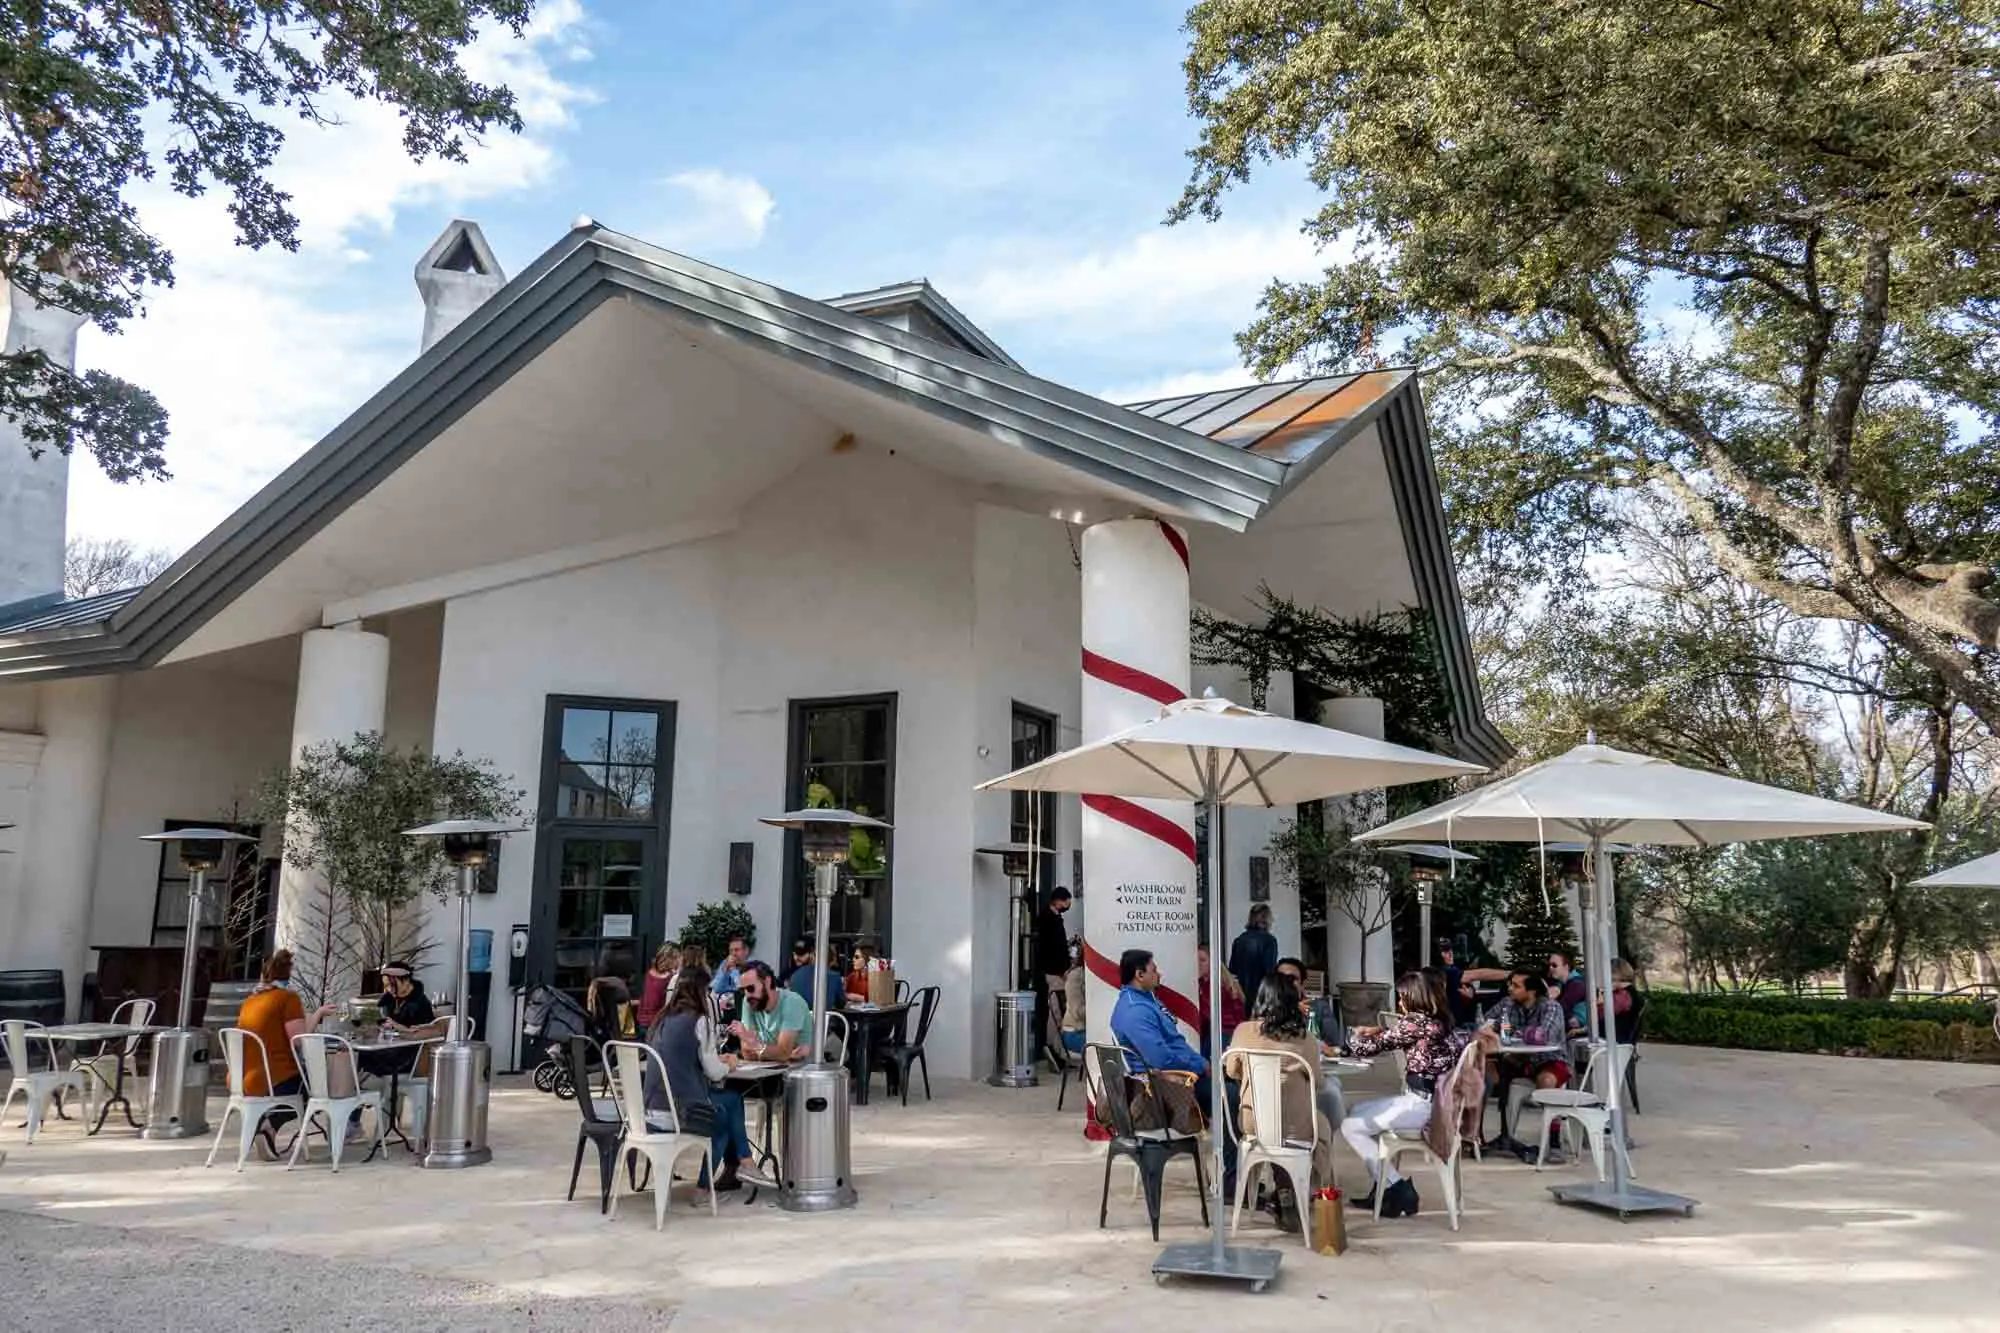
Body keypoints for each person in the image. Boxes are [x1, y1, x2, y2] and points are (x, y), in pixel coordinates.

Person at [1340, 971, 1468, 1218]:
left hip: (1421, 1106)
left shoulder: (1415, 1023)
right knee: (1357, 1112)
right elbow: (1398, 1034)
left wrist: (1350, 1037)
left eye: (1401, 997)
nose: (1399, 1003)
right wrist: (1378, 1030)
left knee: (1350, 1126)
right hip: (1435, 1103)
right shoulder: (1441, 1020)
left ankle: (1397, 1187)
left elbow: (1369, 1048)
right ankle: (1383, 1188)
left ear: (1414, 998)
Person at [1224, 973, 1337, 1228]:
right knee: (1322, 1125)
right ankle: (1303, 1188)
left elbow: (1230, 1070)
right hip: (1297, 1128)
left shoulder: (1244, 1031)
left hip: (1254, 1124)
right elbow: (1318, 1083)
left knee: (1273, 1125)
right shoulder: (1305, 1038)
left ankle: (1284, 1191)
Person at [644, 964, 754, 1192]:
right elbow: (714, 1073)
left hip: (649, 1111)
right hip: (678, 1112)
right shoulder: (698, 1021)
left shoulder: (662, 1019)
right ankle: (707, 1186)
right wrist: (730, 1063)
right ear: (700, 991)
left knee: (730, 1100)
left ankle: (744, 1163)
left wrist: (713, 1060)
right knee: (723, 1117)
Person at [234, 950, 336, 1158]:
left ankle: (261, 1122)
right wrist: (318, 1014)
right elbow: (300, 1041)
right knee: (317, 1088)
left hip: (242, 1079)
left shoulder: (251, 1001)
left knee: (305, 1082)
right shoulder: (287, 998)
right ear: (289, 975)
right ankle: (269, 1126)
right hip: (273, 1078)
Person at [1484, 968, 1572, 1158]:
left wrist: (1510, 1033)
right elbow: (1485, 1023)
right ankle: (1503, 1135)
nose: (1510, 989)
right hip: (1519, 1061)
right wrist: (1490, 1030)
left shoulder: (1551, 1007)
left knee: (1547, 1080)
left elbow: (1543, 1035)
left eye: (1516, 986)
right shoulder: (1508, 1004)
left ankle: (1554, 1138)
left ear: (1531, 991)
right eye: (1510, 984)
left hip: (1548, 1060)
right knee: (1484, 1068)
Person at [1109, 948, 1209, 1106]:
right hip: (1166, 1086)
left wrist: (1202, 1063)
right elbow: (1162, 1059)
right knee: (1232, 1095)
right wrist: (1200, 1066)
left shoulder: (1147, 1000)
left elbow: (1175, 1042)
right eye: (1153, 970)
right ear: (1139, 975)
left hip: (1181, 1073)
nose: (1159, 974)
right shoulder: (1136, 1011)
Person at [362, 960, 442, 1079]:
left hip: (410, 1055)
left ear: (406, 980)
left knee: (366, 1056)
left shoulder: (419, 1003)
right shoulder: (389, 998)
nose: (389, 989)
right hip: (392, 1046)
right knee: (361, 1054)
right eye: (386, 986)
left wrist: (399, 1027)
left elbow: (429, 1032)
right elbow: (376, 1016)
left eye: (392, 985)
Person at [728, 962, 811, 1062]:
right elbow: (747, 1054)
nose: (747, 995)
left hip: (800, 1071)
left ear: (767, 982)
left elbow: (783, 1053)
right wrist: (777, 1053)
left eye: (750, 988)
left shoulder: (792, 1003)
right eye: (742, 990)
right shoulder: (749, 1002)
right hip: (767, 1071)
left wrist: (754, 1044)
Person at [1196, 943, 1246, 1056]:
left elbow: (1207, 1013)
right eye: (1196, 960)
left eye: (1203, 960)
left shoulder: (1215, 985)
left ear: (1213, 962)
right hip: (1232, 1033)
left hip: (1223, 1034)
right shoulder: (1223, 981)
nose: (1198, 964)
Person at [1227, 904, 1279, 1010]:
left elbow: (1232, 969)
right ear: (1267, 919)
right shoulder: (1269, 941)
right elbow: (1269, 971)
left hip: (1241, 993)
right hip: (1261, 993)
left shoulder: (1239, 940)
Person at [786, 938, 846, 1013]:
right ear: (831, 961)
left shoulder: (795, 975)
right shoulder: (835, 977)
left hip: (800, 1021)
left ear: (813, 956)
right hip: (825, 1022)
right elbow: (841, 1003)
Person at [637, 944, 680, 1031]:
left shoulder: (649, 974)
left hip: (642, 1022)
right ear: (672, 959)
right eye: (679, 958)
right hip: (657, 1024)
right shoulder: (670, 978)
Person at [1436, 939, 1477, 1026]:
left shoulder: (1454, 969)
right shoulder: (1444, 971)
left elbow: (1468, 988)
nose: (1451, 954)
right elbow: (1474, 975)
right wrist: (1507, 974)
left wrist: (1470, 992)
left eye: (1451, 951)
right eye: (1445, 952)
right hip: (1448, 1024)